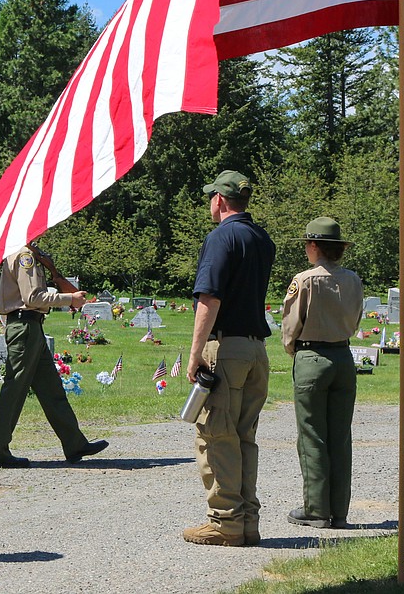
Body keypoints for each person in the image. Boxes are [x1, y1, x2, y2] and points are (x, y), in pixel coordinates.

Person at [182, 170, 275, 547]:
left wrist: (194, 354)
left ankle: (225, 522)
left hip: (226, 347)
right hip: (255, 349)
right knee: (243, 437)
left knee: (216, 436)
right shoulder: (261, 239)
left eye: (210, 197)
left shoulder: (221, 237)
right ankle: (247, 521)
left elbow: (210, 298)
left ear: (220, 200)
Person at [0, 243, 108, 468]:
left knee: (52, 390)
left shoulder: (32, 254)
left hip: (32, 327)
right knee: (14, 390)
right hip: (25, 326)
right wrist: (69, 299)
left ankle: (74, 443)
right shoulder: (24, 255)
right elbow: (32, 297)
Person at [281, 216, 363, 531]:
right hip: (344, 356)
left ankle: (316, 509)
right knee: (340, 437)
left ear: (314, 246)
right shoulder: (353, 280)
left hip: (312, 356)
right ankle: (339, 511)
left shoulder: (304, 280)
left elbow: (291, 325)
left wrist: (294, 350)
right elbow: (355, 321)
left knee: (313, 436)